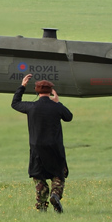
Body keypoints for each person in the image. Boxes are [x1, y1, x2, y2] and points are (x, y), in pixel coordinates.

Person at [11, 73, 73, 213]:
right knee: (58, 175)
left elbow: (15, 103)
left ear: (36, 91)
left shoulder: (31, 107)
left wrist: (22, 86)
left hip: (37, 148)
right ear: (51, 91)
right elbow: (69, 117)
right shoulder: (56, 107)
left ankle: (41, 205)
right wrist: (57, 102)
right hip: (55, 148)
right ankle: (55, 195)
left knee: (39, 177)